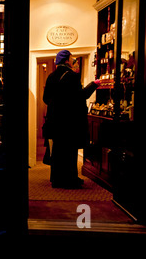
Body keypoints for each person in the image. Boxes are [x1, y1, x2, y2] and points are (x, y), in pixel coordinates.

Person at [43, 50, 101, 189]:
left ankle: (56, 179)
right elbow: (81, 96)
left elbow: (46, 98)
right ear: (67, 61)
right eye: (71, 58)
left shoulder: (51, 76)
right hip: (69, 121)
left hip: (55, 121)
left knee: (57, 150)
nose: (73, 60)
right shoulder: (72, 76)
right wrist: (94, 84)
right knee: (70, 151)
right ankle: (70, 179)